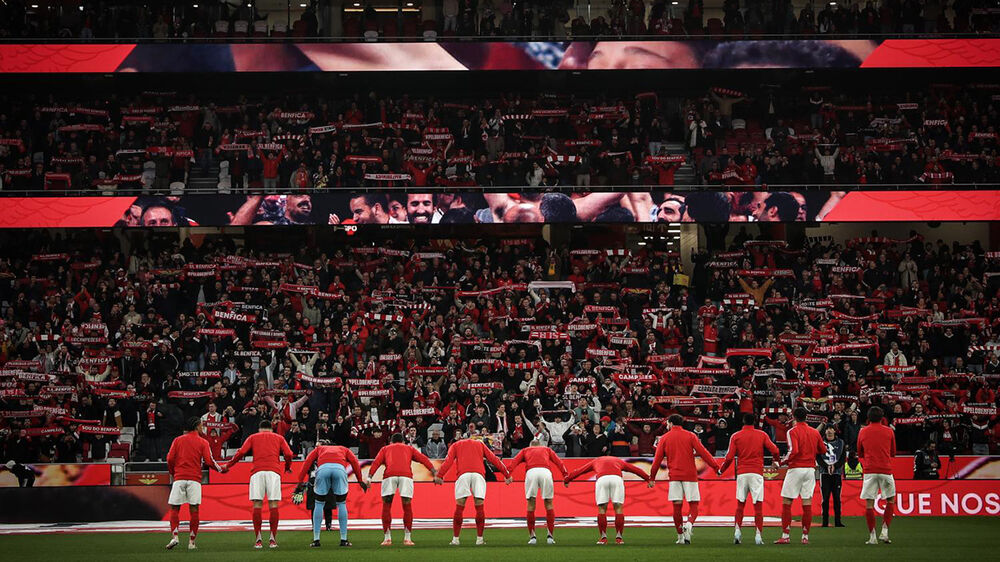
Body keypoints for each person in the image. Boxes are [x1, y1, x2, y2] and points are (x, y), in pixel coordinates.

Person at [649, 414, 720, 545]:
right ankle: (689, 523)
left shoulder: (664, 438)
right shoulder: (690, 436)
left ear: (670, 423)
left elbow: (657, 460)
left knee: (677, 507)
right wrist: (716, 467)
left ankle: (680, 537)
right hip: (690, 476)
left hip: (675, 477)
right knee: (693, 504)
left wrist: (652, 477)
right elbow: (703, 452)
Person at [224, 419, 295, 549]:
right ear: (271, 428)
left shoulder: (253, 437)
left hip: (257, 472)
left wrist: (229, 465)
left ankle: (258, 540)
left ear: (259, 428)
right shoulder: (278, 437)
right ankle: (273, 540)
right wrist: (287, 466)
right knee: (273, 503)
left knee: (257, 504)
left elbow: (241, 452)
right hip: (274, 472)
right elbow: (289, 453)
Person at [433, 437, 512, 545]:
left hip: (463, 475)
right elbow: (494, 459)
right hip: (478, 475)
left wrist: (440, 475)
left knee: (460, 507)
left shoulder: (456, 445)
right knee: (479, 506)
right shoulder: (480, 444)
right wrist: (507, 475)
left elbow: (448, 461)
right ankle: (479, 539)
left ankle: (455, 539)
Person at [717, 412, 780, 545]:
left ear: (743, 422)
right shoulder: (762, 435)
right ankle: (758, 536)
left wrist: (721, 470)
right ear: (754, 422)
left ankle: (737, 532)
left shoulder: (736, 436)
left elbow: (729, 457)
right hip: (756, 472)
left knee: (740, 504)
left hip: (742, 473)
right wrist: (776, 461)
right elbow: (775, 450)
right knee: (758, 505)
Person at [165, 416, 225, 550]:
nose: (202, 427)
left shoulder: (178, 440)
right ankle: (191, 542)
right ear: (197, 427)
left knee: (175, 508)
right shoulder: (203, 442)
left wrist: (172, 473)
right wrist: (221, 469)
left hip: (179, 478)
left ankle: (174, 537)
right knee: (194, 510)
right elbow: (209, 461)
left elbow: (169, 458)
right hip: (194, 479)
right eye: (201, 425)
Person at [296, 440, 369, 547]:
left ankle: (316, 540)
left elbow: (307, 462)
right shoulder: (344, 449)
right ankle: (343, 539)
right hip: (339, 469)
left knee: (319, 503)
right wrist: (359, 479)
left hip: (323, 469)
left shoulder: (319, 449)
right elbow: (354, 462)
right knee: (341, 503)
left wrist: (300, 481)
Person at [369, 433, 437, 546]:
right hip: (406, 476)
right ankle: (407, 538)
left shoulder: (385, 449)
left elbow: (376, 462)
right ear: (403, 441)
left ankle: (387, 538)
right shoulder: (409, 448)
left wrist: (369, 477)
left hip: (389, 476)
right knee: (407, 505)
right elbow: (422, 458)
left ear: (391, 441)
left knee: (387, 504)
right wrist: (434, 471)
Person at [564, 455, 650, 545]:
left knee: (602, 509)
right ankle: (619, 538)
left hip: (602, 479)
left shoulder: (596, 461)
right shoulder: (619, 461)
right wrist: (648, 479)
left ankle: (603, 538)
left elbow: (580, 471)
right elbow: (635, 469)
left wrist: (568, 479)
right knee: (618, 508)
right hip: (617, 479)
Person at [775, 407, 826, 545]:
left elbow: (794, 450)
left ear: (794, 417)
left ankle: (785, 535)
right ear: (806, 417)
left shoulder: (792, 431)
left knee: (787, 501)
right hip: (810, 469)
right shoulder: (814, 432)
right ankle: (805, 537)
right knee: (806, 502)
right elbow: (823, 449)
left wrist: (782, 462)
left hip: (796, 468)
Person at [505, 440, 568, 545]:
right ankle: (550, 537)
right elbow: (559, 462)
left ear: (530, 445)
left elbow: (514, 462)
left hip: (531, 472)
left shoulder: (525, 450)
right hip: (545, 473)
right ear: (540, 445)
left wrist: (508, 475)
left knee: (531, 504)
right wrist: (565, 476)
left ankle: (532, 537)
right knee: (549, 503)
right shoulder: (547, 449)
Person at [857, 406, 897, 545]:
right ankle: (885, 532)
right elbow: (893, 452)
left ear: (868, 418)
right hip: (885, 470)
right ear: (882, 417)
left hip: (869, 470)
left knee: (869, 503)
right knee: (890, 500)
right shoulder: (889, 431)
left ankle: (872, 536)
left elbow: (859, 452)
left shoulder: (862, 431)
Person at [819, 426, 846, 528]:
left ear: (835, 431)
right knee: (825, 498)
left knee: (836, 498)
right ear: (825, 431)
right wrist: (826, 467)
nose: (829, 431)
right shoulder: (820, 442)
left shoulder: (841, 443)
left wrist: (836, 466)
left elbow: (843, 458)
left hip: (837, 474)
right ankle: (825, 522)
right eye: (827, 429)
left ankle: (838, 521)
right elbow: (818, 457)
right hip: (824, 474)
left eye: (831, 429)